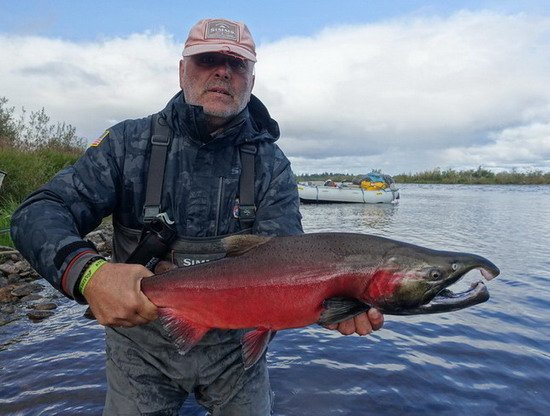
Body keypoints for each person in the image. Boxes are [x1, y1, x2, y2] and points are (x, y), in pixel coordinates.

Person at [11, 18, 384, 415]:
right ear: (182, 69)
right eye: (208, 59)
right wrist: (88, 274)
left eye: (237, 64)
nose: (223, 71)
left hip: (236, 355)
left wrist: (332, 303)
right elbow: (38, 211)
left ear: (251, 81)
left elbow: (289, 264)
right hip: (140, 348)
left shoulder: (271, 165)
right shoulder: (126, 145)